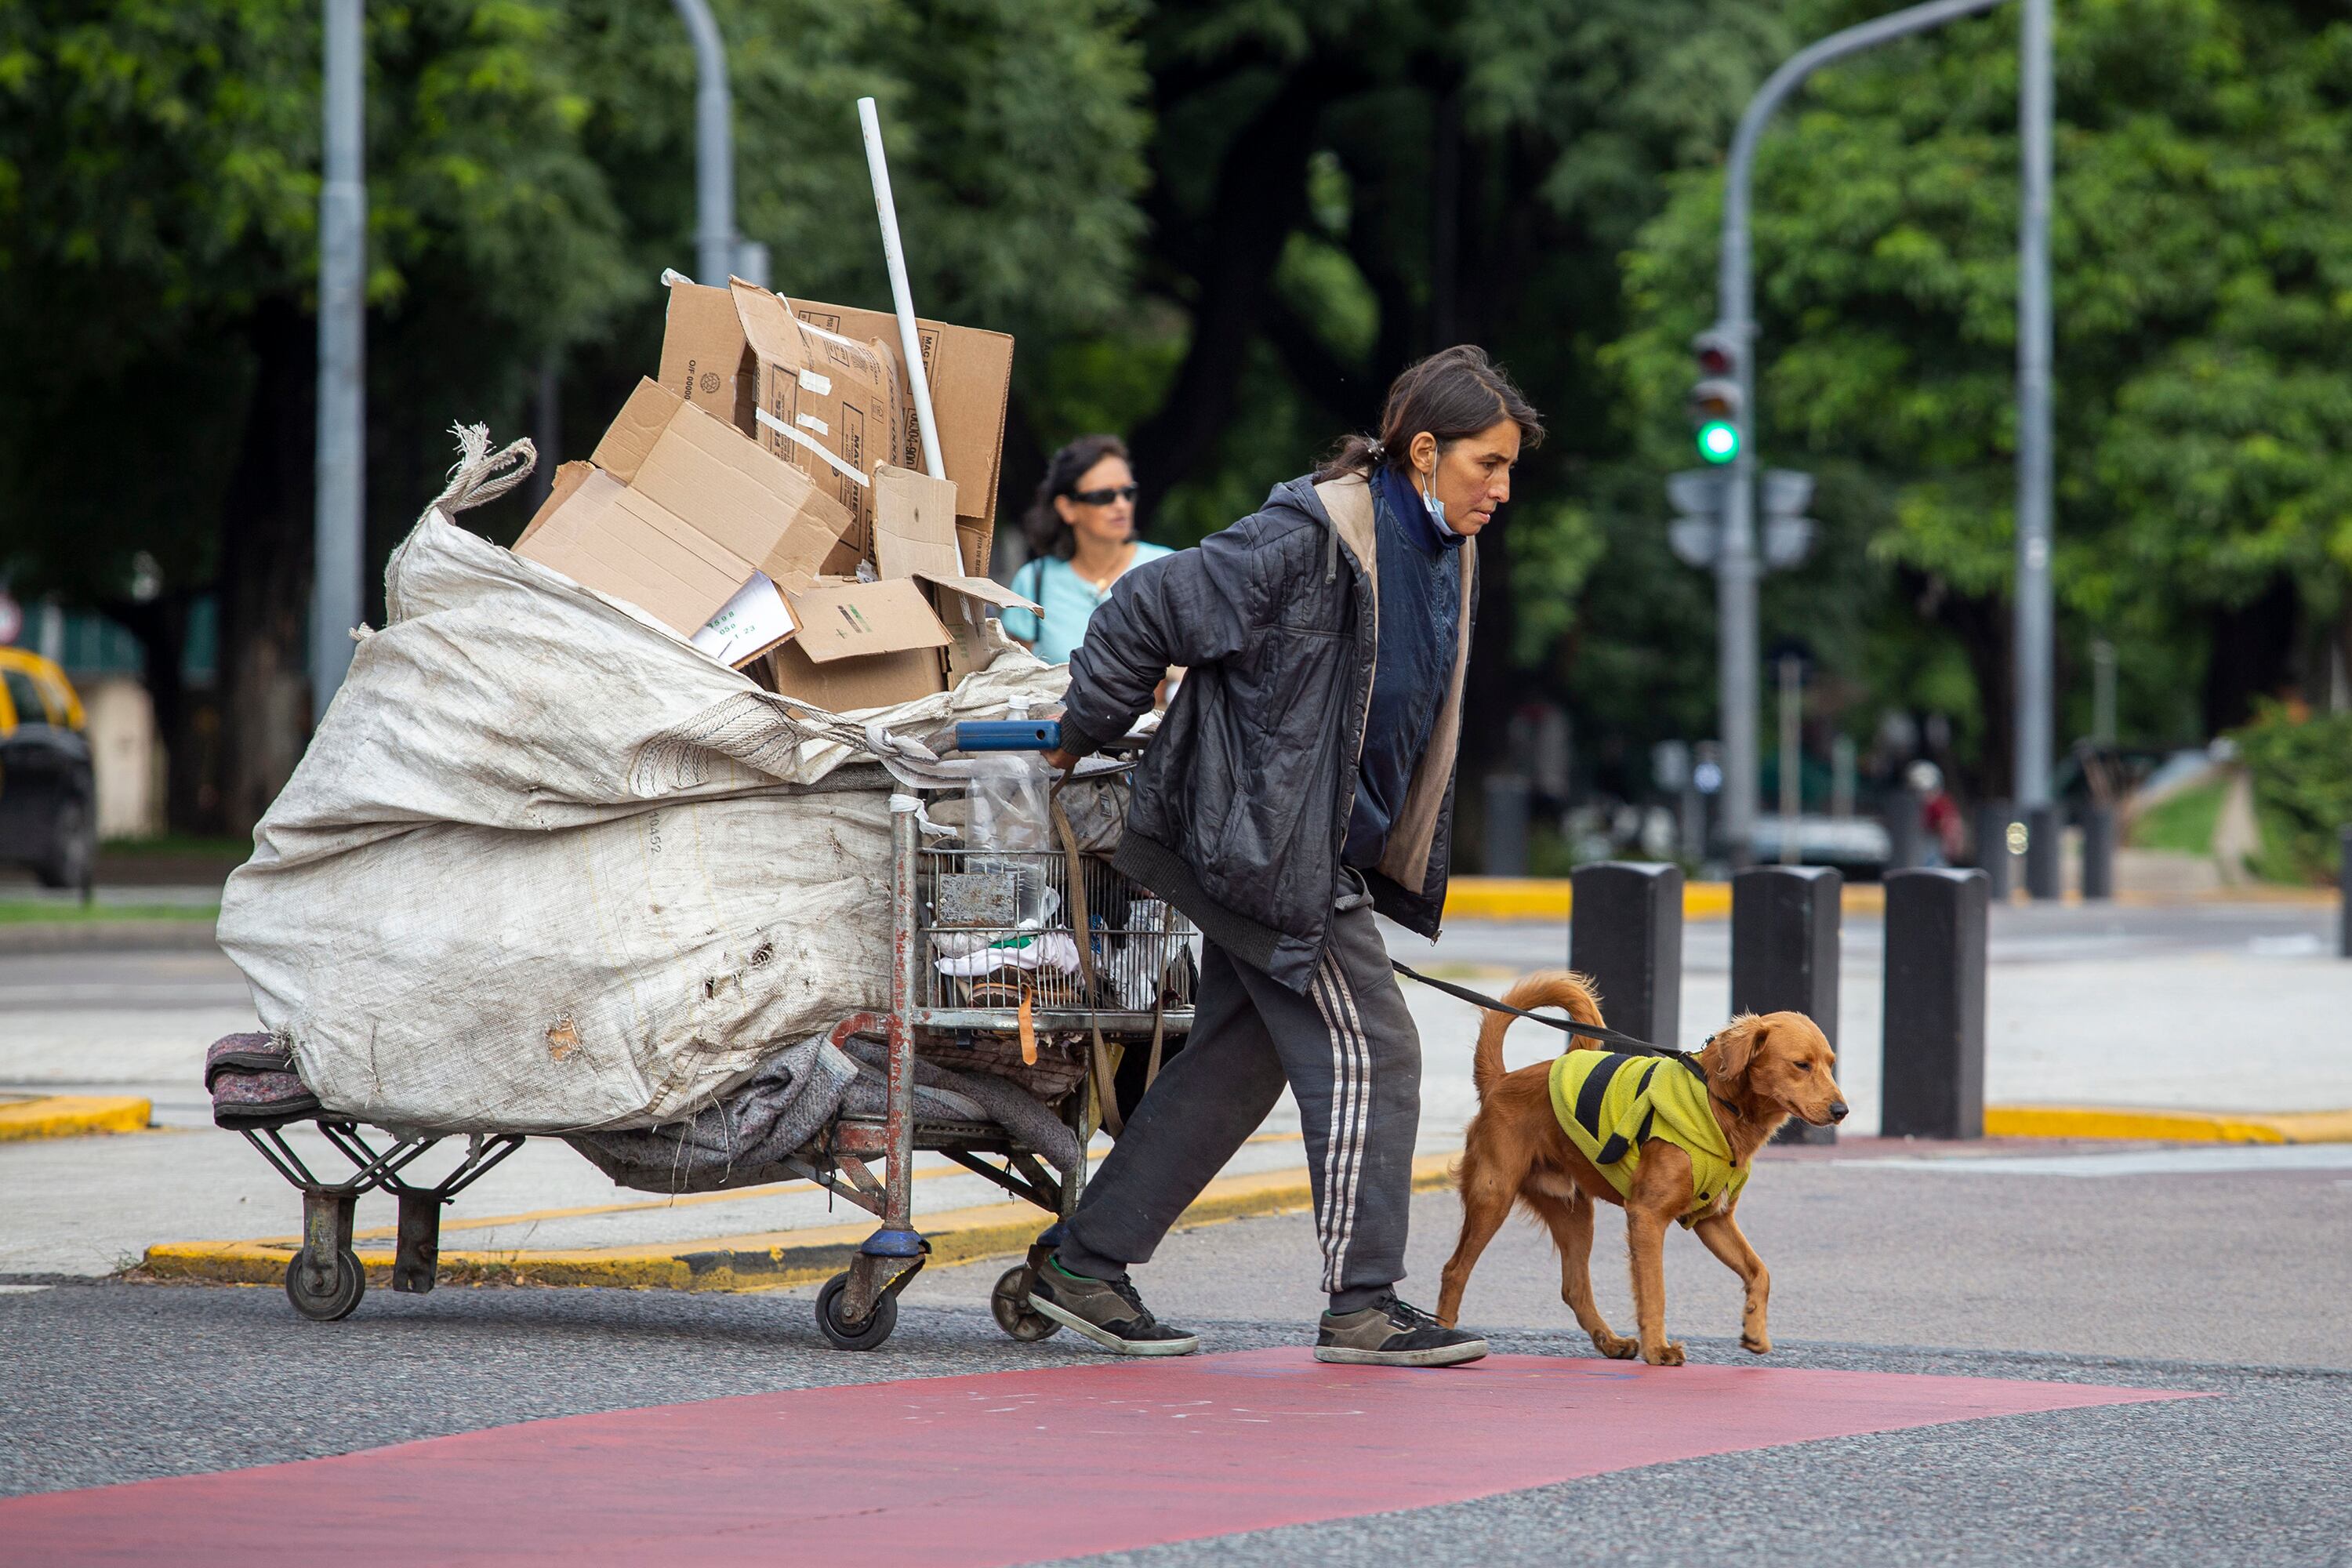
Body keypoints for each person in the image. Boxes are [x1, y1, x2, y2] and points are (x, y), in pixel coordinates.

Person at [1022, 347, 1543, 1367]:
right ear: (1425, 451)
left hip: (1306, 847)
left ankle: (1080, 1267)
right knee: (1377, 1052)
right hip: (1268, 849)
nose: (1502, 488)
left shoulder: (1443, 547)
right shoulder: (1309, 537)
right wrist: (1086, 726)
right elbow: (1147, 607)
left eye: (1511, 467)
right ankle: (1363, 1304)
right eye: (1489, 463)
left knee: (1233, 1061)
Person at [1000, 435, 1172, 665]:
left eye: (1128, 493)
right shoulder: (1034, 581)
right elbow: (1019, 677)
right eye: (1104, 496)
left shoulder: (1166, 568)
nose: (1121, 505)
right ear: (1067, 508)